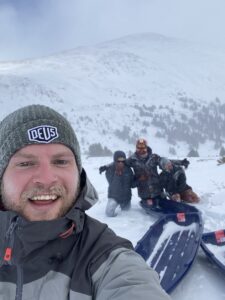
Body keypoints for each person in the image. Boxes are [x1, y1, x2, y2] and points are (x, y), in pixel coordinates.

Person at [0, 104, 171, 300]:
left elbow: (132, 285)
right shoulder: (117, 166)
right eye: (25, 163)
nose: (47, 179)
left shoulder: (103, 256)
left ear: (78, 173)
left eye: (61, 161)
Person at [105, 150, 135, 217]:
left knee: (127, 214)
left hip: (126, 198)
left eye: (122, 160)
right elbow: (112, 184)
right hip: (114, 197)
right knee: (108, 214)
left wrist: (139, 180)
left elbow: (132, 184)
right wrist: (117, 174)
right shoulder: (109, 170)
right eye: (119, 160)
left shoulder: (128, 170)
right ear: (115, 160)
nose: (121, 162)